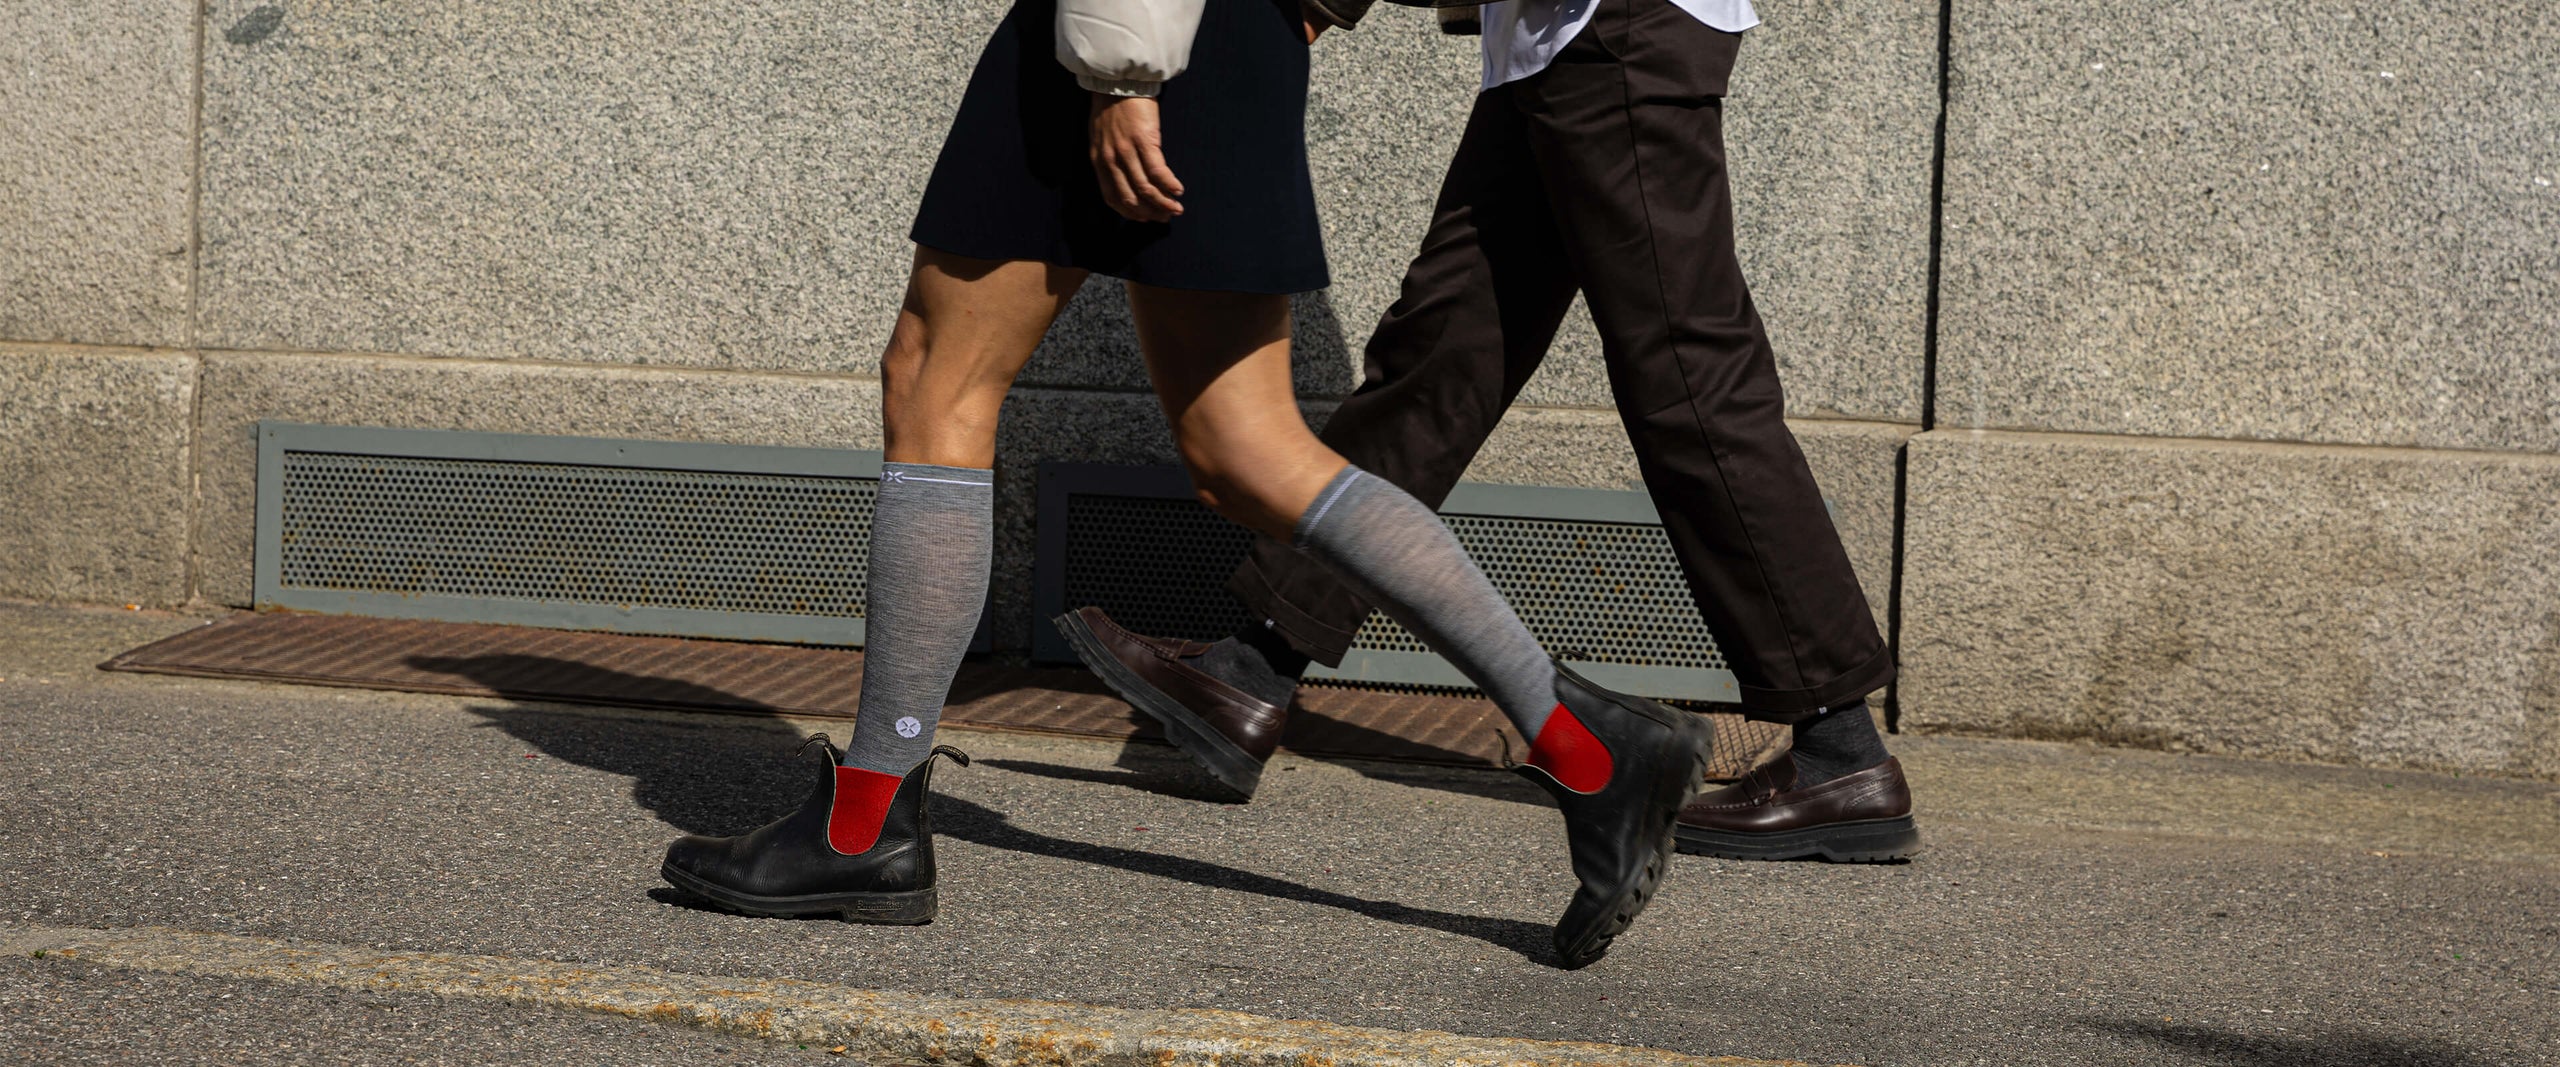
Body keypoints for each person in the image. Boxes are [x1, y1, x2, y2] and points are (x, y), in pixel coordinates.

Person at [658, 0, 1711, 969]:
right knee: (1249, 452)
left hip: (1136, 43)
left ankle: (864, 825)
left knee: (938, 380)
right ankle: (1588, 743)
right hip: (1245, 35)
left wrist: (1123, 77)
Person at [1059, 0, 1920, 864]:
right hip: (1551, 43)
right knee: (1441, 353)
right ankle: (1251, 669)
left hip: (1616, 32)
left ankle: (1839, 747)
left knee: (1691, 381)